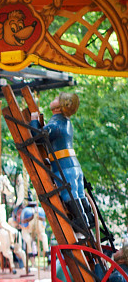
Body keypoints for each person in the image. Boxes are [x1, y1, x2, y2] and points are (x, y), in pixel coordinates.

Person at [30, 93, 93, 235]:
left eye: (57, 98)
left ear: (59, 106)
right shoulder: (66, 122)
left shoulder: (56, 124)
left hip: (64, 166)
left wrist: (34, 121)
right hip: (74, 165)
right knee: (78, 193)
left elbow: (38, 137)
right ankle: (88, 217)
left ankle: (80, 222)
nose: (54, 99)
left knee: (68, 194)